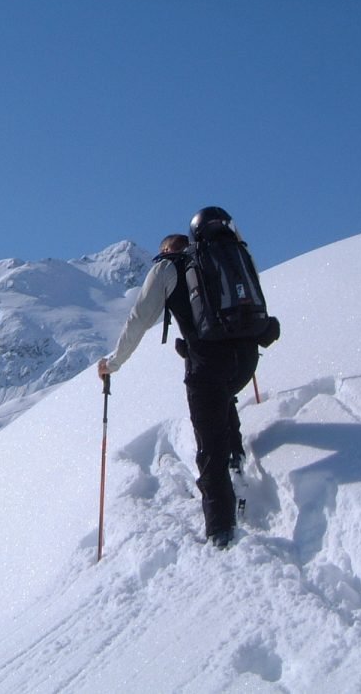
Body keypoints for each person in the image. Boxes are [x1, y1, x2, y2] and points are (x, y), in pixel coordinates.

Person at [97, 209, 267, 548]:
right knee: (223, 397)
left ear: (164, 252)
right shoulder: (227, 257)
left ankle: (220, 532)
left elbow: (138, 320)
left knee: (208, 448)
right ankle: (236, 458)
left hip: (207, 367)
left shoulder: (167, 268)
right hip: (247, 359)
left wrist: (112, 364)